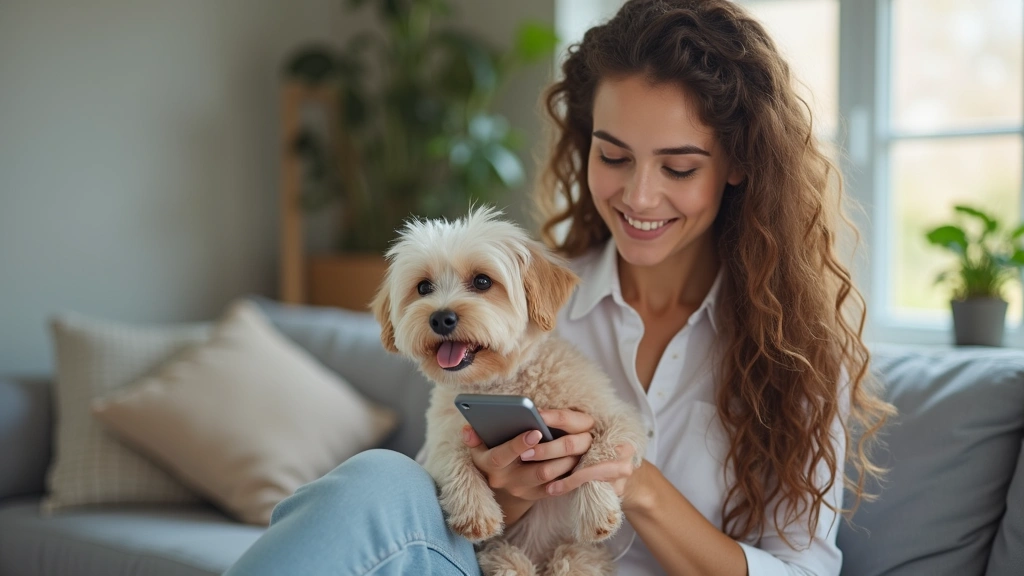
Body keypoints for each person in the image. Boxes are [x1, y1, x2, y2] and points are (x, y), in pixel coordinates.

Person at [225, 0, 893, 574]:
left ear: (740, 163)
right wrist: (512, 493)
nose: (638, 195)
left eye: (679, 166)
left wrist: (640, 488)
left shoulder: (797, 352)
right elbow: (433, 524)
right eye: (613, 155)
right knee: (376, 479)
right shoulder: (518, 303)